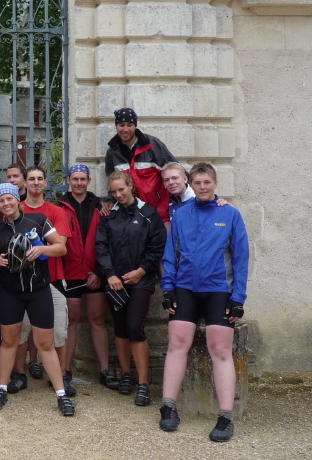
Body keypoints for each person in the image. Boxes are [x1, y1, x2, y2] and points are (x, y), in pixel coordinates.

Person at [160, 162, 249, 443]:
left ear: (215, 183)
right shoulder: (181, 214)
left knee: (220, 349)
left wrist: (238, 297)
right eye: (197, 182)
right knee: (177, 343)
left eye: (207, 182)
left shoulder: (230, 214)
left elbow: (241, 258)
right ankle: (168, 407)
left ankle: (225, 417)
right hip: (185, 288)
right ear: (191, 183)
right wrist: (167, 289)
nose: (202, 187)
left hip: (218, 290)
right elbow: (170, 254)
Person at [0, 183, 76, 416]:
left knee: (45, 343)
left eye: (9, 199)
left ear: (17, 200)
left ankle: (61, 394)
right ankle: (1, 389)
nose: (6, 203)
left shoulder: (37, 220)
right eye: (1, 201)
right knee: (9, 341)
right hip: (10, 292)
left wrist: (42, 250)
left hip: (38, 290)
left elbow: (61, 248)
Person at [96, 171, 167, 407]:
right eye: (114, 192)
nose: (118, 195)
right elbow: (101, 246)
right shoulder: (108, 214)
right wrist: (110, 274)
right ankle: (126, 374)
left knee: (136, 327)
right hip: (114, 281)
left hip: (141, 281)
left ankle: (143, 383)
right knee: (120, 328)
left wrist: (142, 271)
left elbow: (157, 246)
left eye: (122, 190)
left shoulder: (148, 213)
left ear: (131, 186)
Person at [55, 164, 115, 391]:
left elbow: (108, 241)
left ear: (89, 180)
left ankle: (105, 371)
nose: (79, 183)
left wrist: (99, 271)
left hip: (95, 272)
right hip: (69, 273)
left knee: (98, 320)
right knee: (70, 321)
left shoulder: (101, 207)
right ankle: (65, 371)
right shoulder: (60, 207)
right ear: (68, 180)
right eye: (75, 179)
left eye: (83, 179)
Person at [19, 165, 72, 394]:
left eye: (40, 178)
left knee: (58, 332)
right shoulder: (15, 208)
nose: (36, 183)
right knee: (20, 332)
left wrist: (40, 250)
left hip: (53, 278)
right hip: (21, 279)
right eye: (31, 179)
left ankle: (61, 376)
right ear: (25, 183)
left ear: (45, 182)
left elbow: (61, 247)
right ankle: (19, 374)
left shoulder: (56, 211)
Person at [104, 108, 178, 223]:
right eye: (121, 125)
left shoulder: (153, 145)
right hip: (130, 216)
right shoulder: (112, 153)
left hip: (159, 213)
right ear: (116, 126)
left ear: (135, 126)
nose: (125, 129)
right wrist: (110, 201)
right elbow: (112, 183)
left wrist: (189, 197)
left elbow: (177, 171)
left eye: (129, 125)